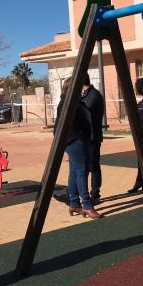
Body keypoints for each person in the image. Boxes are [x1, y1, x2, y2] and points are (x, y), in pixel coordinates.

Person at [55, 78, 103, 219]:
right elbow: (76, 122)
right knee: (82, 172)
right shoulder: (70, 103)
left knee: (74, 172)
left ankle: (74, 203)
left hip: (72, 139)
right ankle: (87, 205)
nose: (81, 89)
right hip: (76, 139)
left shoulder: (68, 102)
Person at [81, 73, 104, 204]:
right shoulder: (85, 95)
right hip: (85, 136)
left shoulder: (94, 95)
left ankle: (95, 194)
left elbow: (85, 111)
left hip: (92, 137)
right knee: (85, 166)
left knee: (93, 165)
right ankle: (86, 193)